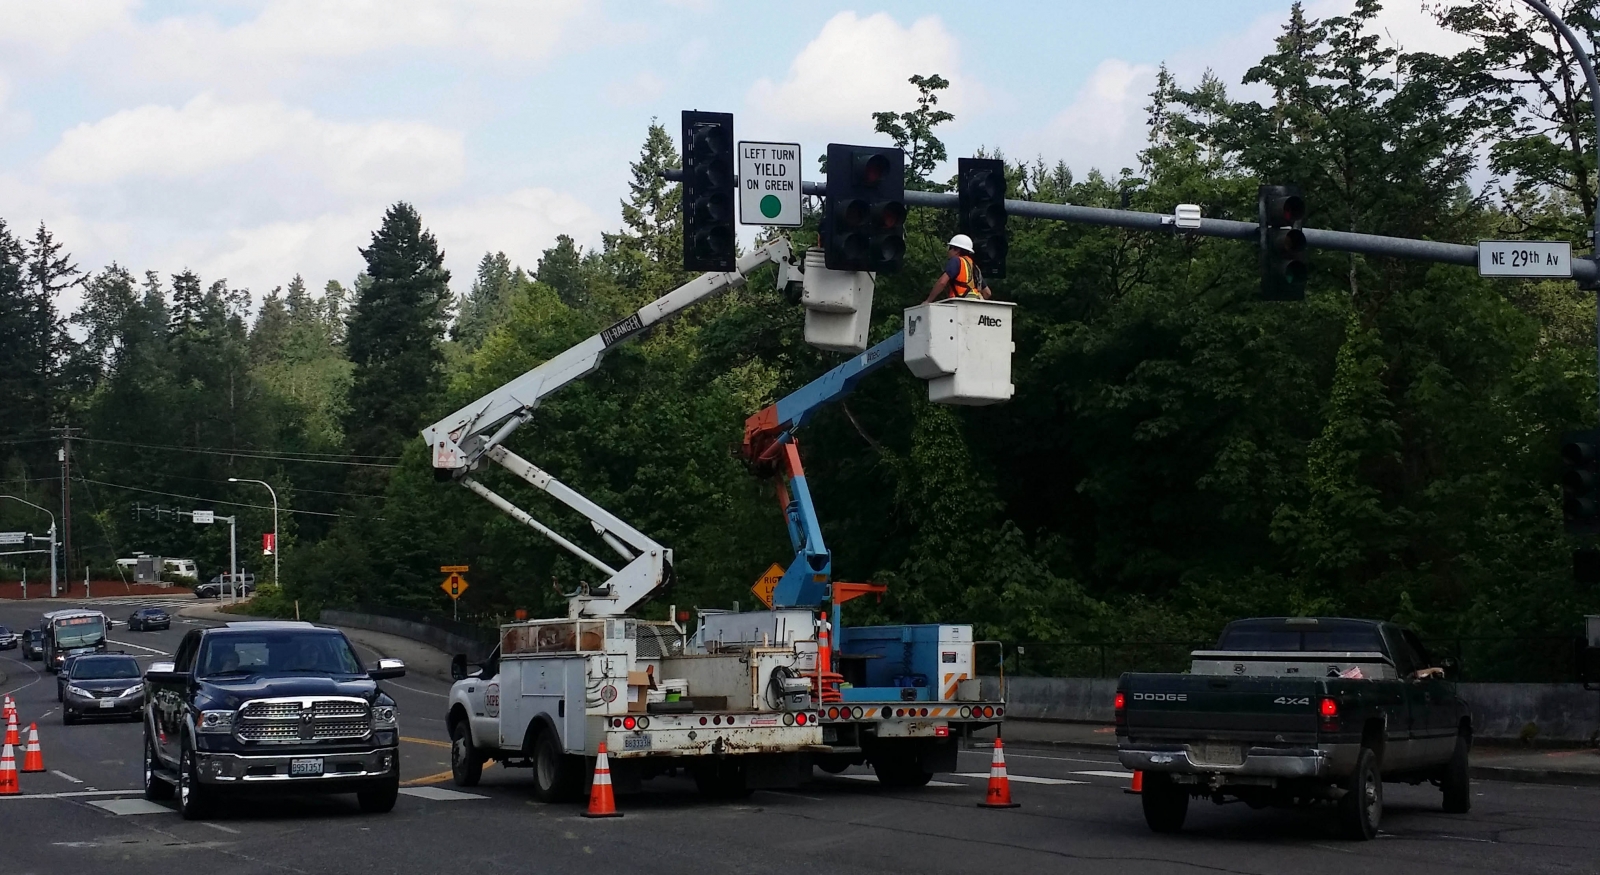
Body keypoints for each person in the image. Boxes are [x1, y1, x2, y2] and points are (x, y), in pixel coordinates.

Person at [923, 234, 991, 303]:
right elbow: (987, 293)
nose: (948, 251)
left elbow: (942, 282)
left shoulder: (956, 261)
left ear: (957, 250)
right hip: (975, 306)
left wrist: (928, 300)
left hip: (959, 304)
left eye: (950, 248)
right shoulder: (974, 267)